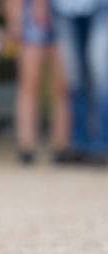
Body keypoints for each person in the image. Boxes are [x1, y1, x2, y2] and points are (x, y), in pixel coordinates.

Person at [8, 0, 70, 165]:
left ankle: (61, 146)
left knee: (61, 88)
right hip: (30, 16)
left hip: (64, 15)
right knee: (29, 86)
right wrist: (14, 19)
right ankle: (26, 146)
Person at [49, 0, 108, 165]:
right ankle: (80, 144)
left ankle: (101, 145)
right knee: (74, 78)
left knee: (101, 75)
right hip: (62, 7)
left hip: (101, 6)